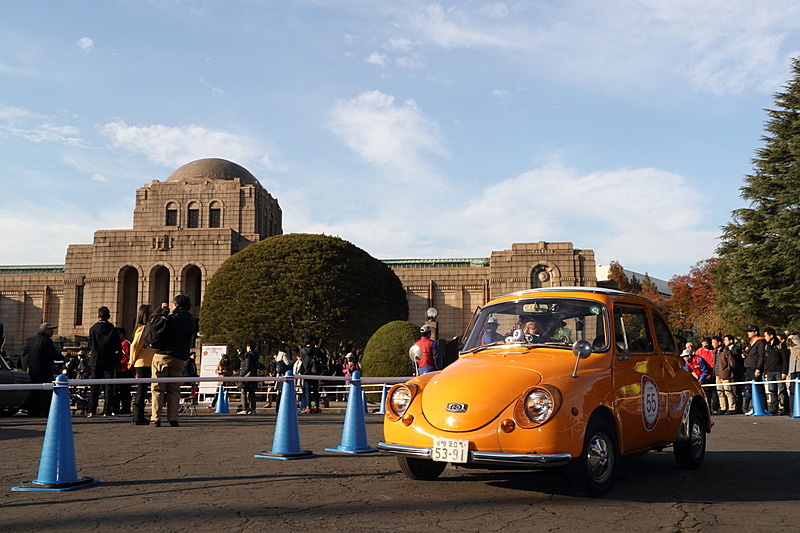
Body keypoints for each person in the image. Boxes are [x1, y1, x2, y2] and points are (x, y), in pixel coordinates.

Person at [150, 294, 195, 427]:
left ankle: (156, 418)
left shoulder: (170, 318)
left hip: (163, 355)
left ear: (176, 304)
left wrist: (162, 311)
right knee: (174, 389)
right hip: (180, 357)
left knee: (157, 389)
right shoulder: (190, 319)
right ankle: (173, 418)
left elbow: (156, 326)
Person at [87, 306, 122, 418]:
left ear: (98, 316)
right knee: (109, 386)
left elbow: (91, 344)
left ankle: (91, 410)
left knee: (94, 386)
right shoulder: (112, 329)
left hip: (96, 359)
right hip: (109, 359)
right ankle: (107, 409)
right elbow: (117, 345)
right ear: (109, 317)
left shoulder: (93, 328)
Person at [24, 322, 60, 416]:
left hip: (33, 370)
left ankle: (32, 410)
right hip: (44, 370)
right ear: (44, 330)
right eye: (50, 329)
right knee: (47, 390)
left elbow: (24, 354)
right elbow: (52, 353)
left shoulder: (32, 340)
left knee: (35, 390)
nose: (52, 331)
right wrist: (63, 358)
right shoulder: (46, 340)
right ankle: (45, 410)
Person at [129, 304, 155, 425]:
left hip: (145, 362)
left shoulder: (143, 327)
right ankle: (137, 416)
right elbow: (134, 345)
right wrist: (131, 361)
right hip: (142, 362)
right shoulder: (143, 328)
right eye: (150, 312)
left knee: (143, 390)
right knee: (141, 390)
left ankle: (138, 416)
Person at [763, 327, 789, 415]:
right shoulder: (767, 346)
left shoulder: (780, 345)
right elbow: (766, 359)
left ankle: (786, 408)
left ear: (771, 335)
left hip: (779, 371)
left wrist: (784, 372)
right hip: (770, 371)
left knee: (782, 390)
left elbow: (785, 359)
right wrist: (765, 371)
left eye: (766, 336)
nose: (765, 338)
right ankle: (774, 408)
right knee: (772, 390)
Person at [743, 325, 767, 415]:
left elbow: (761, 356)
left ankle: (763, 407)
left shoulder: (760, 342)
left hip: (754, 367)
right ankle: (754, 406)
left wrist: (758, 368)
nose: (748, 333)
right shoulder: (751, 342)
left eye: (750, 331)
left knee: (758, 387)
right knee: (750, 388)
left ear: (755, 332)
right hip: (749, 366)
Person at [712, 336, 737, 415]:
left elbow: (732, 363)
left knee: (728, 391)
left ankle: (731, 407)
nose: (713, 344)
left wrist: (728, 371)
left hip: (725, 374)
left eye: (714, 342)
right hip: (717, 374)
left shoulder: (726, 351)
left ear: (719, 343)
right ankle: (723, 407)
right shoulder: (715, 352)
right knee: (720, 392)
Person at [299, 334, 323, 413]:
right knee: (316, 390)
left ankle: (308, 406)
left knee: (307, 390)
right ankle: (316, 406)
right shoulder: (316, 350)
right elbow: (323, 358)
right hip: (315, 372)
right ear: (312, 342)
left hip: (306, 372)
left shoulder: (302, 351)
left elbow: (302, 360)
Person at [695, 338, 718, 414]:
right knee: (706, 392)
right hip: (704, 373)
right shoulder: (699, 351)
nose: (704, 345)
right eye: (703, 343)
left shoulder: (713, 351)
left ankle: (715, 407)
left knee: (715, 391)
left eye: (706, 343)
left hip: (713, 372)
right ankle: (708, 408)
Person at [115, 327, 133, 416]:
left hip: (125, 369)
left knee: (125, 390)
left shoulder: (125, 343)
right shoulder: (118, 343)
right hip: (119, 369)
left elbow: (128, 355)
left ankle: (126, 408)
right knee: (119, 390)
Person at [237, 342, 259, 415]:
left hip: (246, 377)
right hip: (253, 376)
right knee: (252, 393)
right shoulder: (255, 355)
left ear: (249, 347)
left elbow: (246, 366)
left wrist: (241, 375)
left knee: (243, 392)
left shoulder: (248, 355)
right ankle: (253, 409)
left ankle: (245, 408)